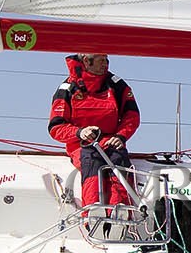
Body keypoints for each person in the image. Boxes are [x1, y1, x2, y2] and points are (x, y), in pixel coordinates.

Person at [49, 53, 140, 208]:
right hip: (81, 144)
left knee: (119, 161)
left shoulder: (117, 85)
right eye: (101, 60)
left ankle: (121, 210)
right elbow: (55, 127)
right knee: (91, 162)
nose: (106, 64)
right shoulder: (67, 89)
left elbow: (132, 115)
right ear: (86, 61)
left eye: (107, 60)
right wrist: (80, 132)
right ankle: (92, 210)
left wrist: (121, 136)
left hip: (111, 140)